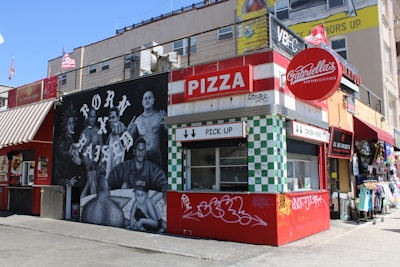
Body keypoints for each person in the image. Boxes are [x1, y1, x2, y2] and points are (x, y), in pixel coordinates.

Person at [126, 90, 167, 168]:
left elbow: (169, 133)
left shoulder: (159, 116)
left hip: (155, 156)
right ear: (142, 102)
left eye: (149, 98)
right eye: (145, 98)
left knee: (155, 179)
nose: (147, 100)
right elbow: (128, 141)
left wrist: (165, 122)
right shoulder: (138, 120)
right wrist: (128, 131)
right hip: (142, 157)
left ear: (153, 100)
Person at [54, 104, 82, 186]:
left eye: (72, 123)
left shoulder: (70, 139)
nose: (71, 126)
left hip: (69, 178)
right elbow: (61, 153)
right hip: (62, 179)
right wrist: (70, 152)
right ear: (65, 126)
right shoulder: (63, 140)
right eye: (69, 123)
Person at [79, 108, 103, 198]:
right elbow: (81, 150)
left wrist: (99, 163)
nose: (92, 119)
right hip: (86, 167)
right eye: (91, 116)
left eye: (94, 117)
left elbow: (101, 148)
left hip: (96, 166)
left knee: (92, 182)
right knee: (91, 182)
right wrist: (86, 163)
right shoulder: (84, 133)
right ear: (88, 117)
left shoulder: (98, 131)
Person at [104, 107, 126, 178]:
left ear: (118, 118)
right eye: (109, 118)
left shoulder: (122, 130)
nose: (111, 120)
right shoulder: (110, 136)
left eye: (113, 117)